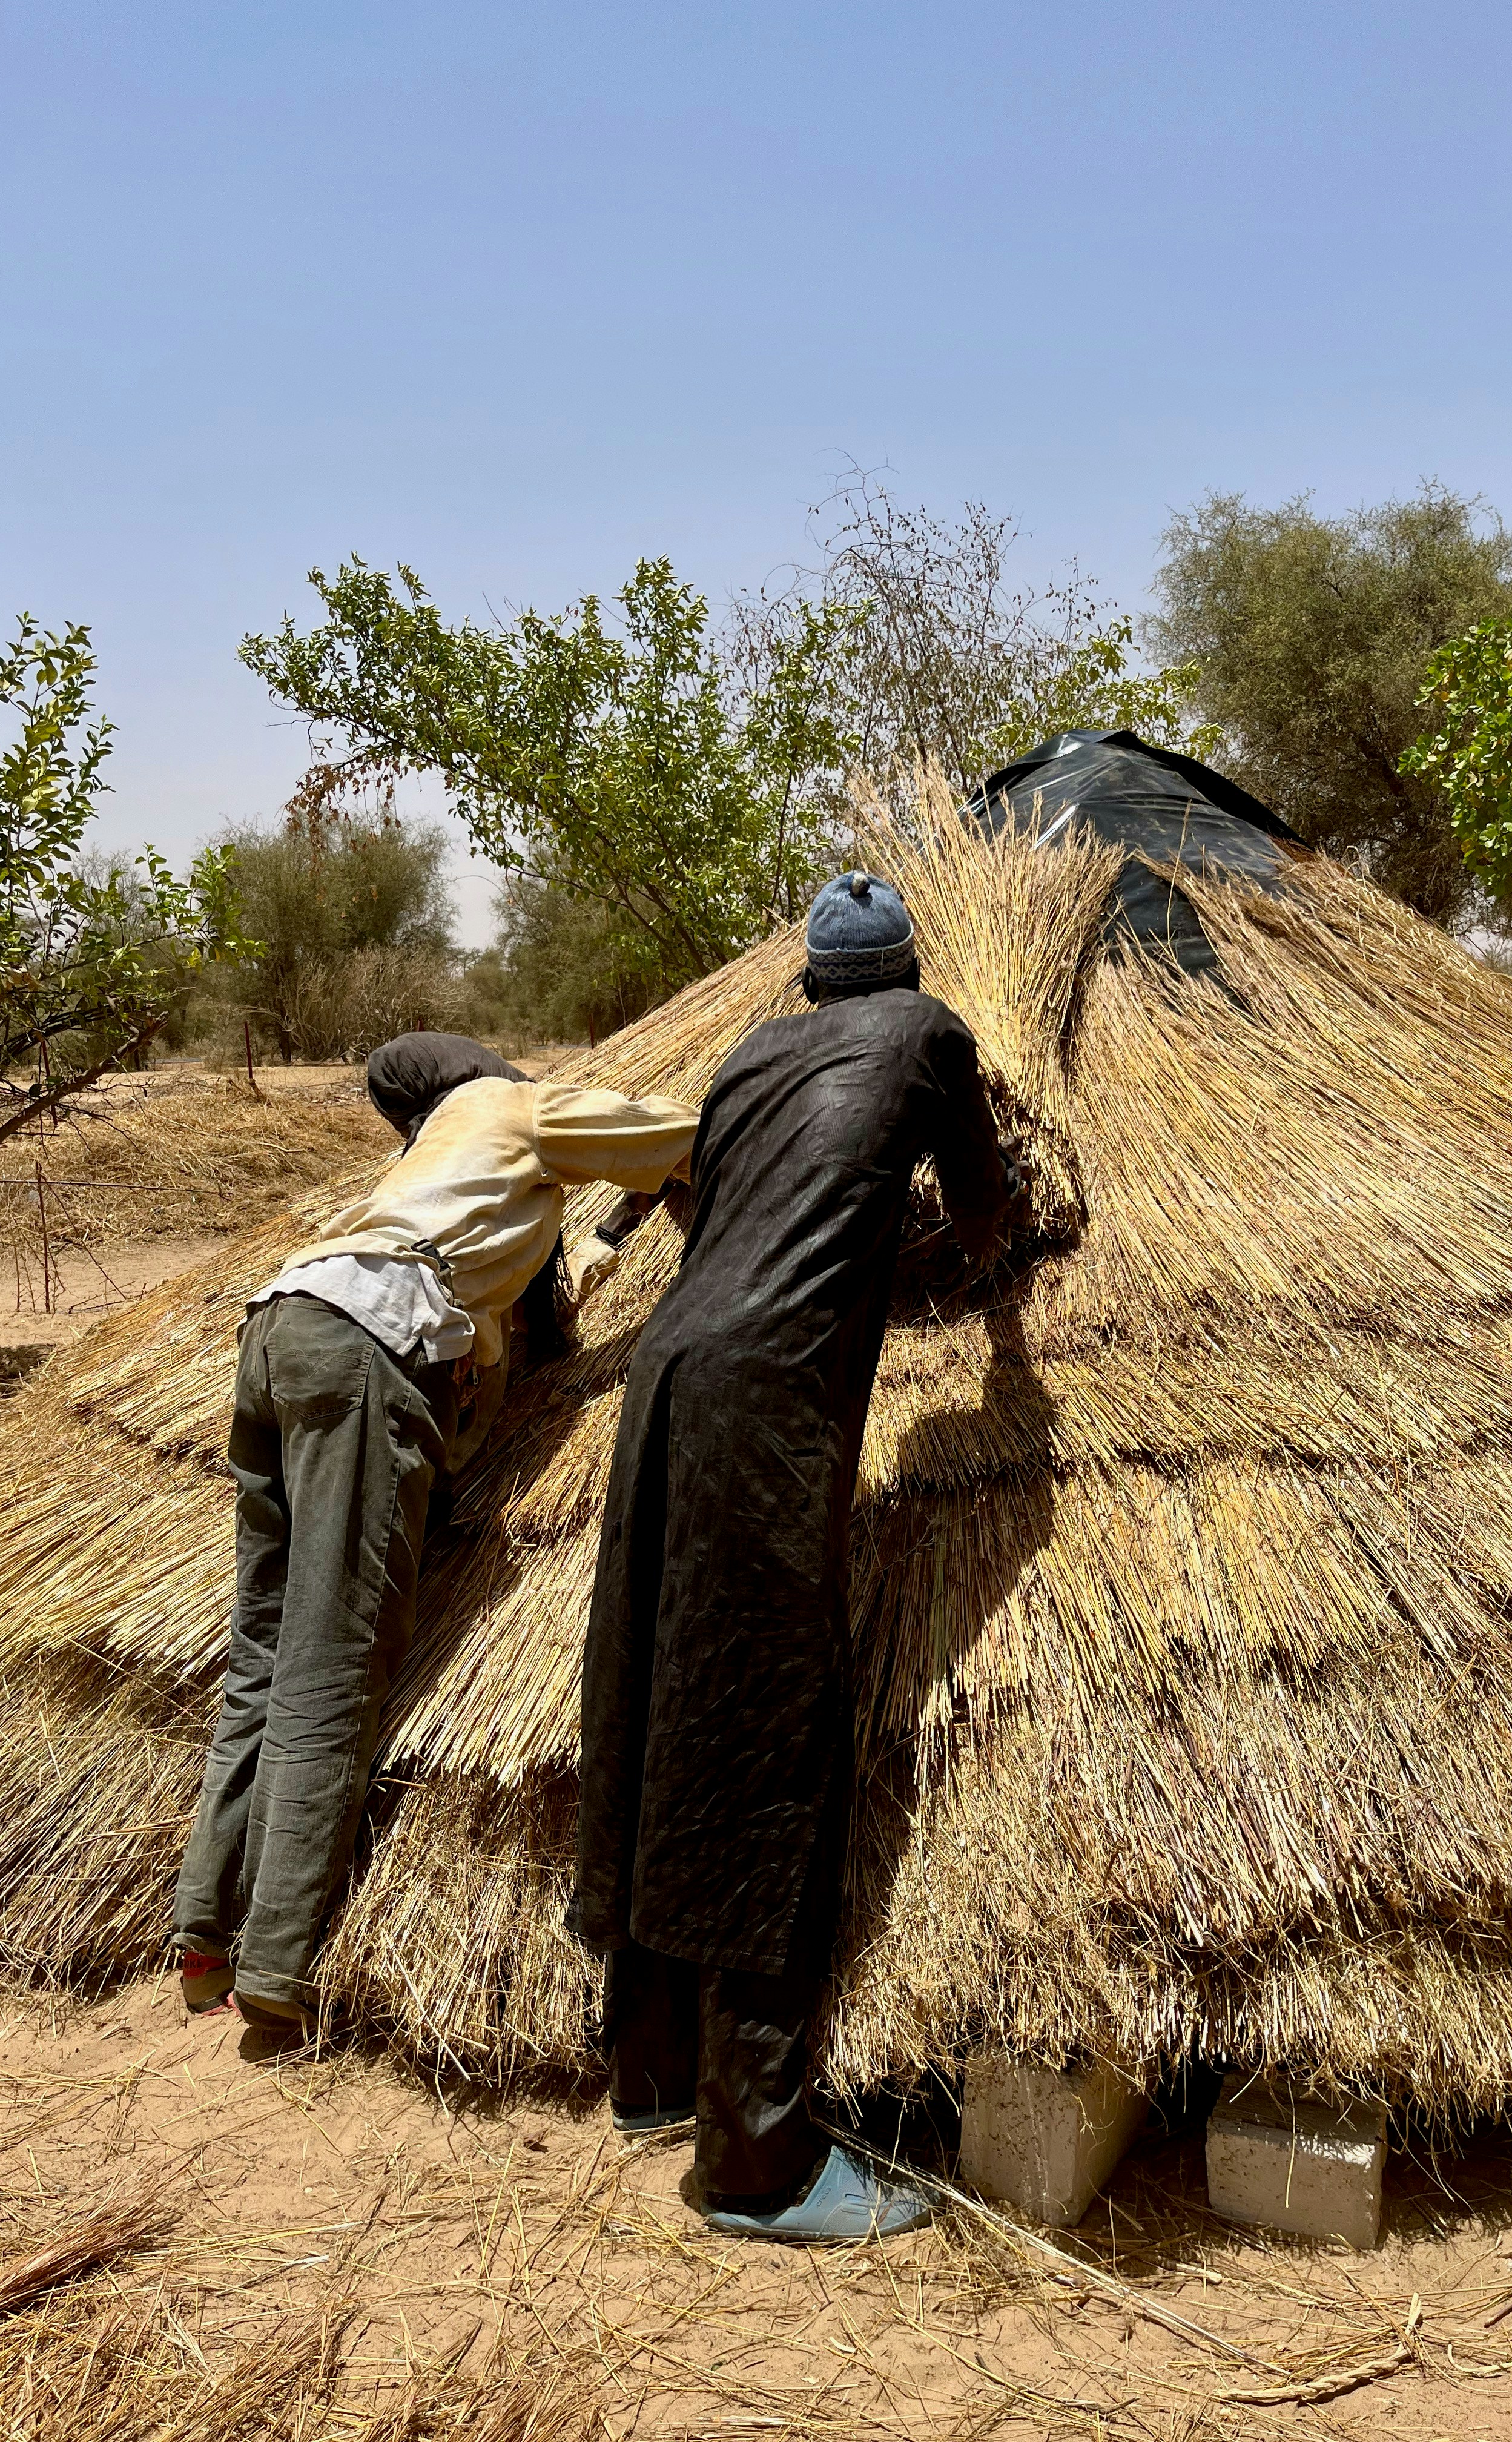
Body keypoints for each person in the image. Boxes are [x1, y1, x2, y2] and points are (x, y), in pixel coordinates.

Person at [575, 872, 1012, 2242]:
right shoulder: (929, 1034)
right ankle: (754, 2162)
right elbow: (990, 1201)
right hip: (769, 1396)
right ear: (904, 970)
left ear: (812, 981)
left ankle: (649, 2071)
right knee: (766, 1740)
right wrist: (992, 1284)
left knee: (655, 1695)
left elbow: (715, 1213)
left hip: (670, 1372)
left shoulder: (748, 1054)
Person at [174, 1031, 698, 2041]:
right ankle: (276, 1963)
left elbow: (515, 1312)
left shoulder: (423, 1168)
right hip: (369, 1349)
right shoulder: (511, 1109)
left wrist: (591, 1248)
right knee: (338, 1655)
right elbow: (685, 1133)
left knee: (265, 1649)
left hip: (280, 1327)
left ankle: (204, 1932)